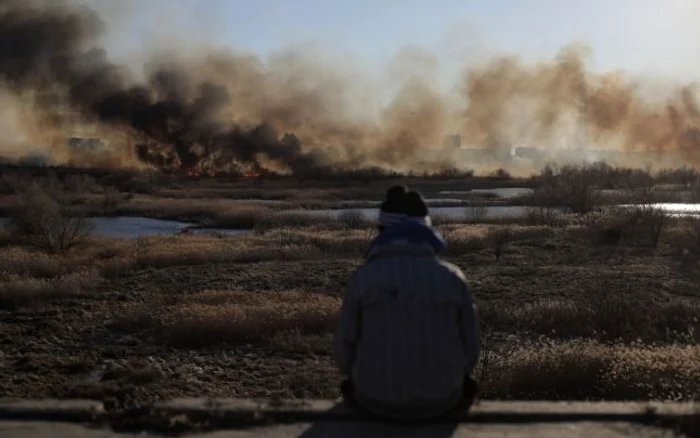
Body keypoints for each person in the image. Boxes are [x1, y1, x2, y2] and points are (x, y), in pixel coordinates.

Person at [334, 185, 480, 421]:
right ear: (426, 230)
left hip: (374, 401)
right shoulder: (452, 277)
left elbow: (344, 352)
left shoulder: (364, 277)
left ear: (382, 230)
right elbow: (471, 351)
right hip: (442, 401)